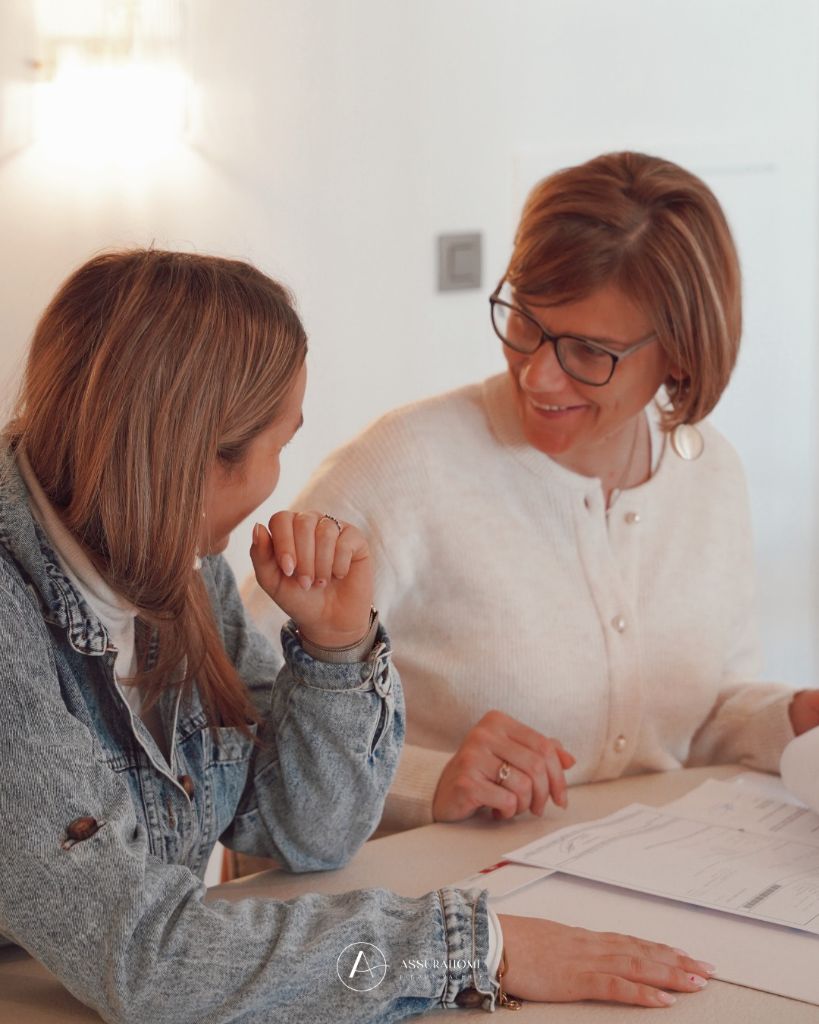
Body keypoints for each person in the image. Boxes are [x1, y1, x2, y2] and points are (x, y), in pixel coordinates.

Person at [0, 249, 715, 1022]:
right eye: (280, 442)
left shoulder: (176, 567)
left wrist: (336, 650)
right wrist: (478, 947)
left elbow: (308, 832)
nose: (282, 473)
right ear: (199, 460)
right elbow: (147, 958)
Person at [245, 151, 819, 833]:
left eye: (588, 351)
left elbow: (698, 714)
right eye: (524, 321)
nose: (538, 376)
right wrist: (428, 778)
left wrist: (789, 719)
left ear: (680, 353)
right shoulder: (407, 464)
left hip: (647, 881)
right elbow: (242, 706)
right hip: (439, 903)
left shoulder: (710, 472)